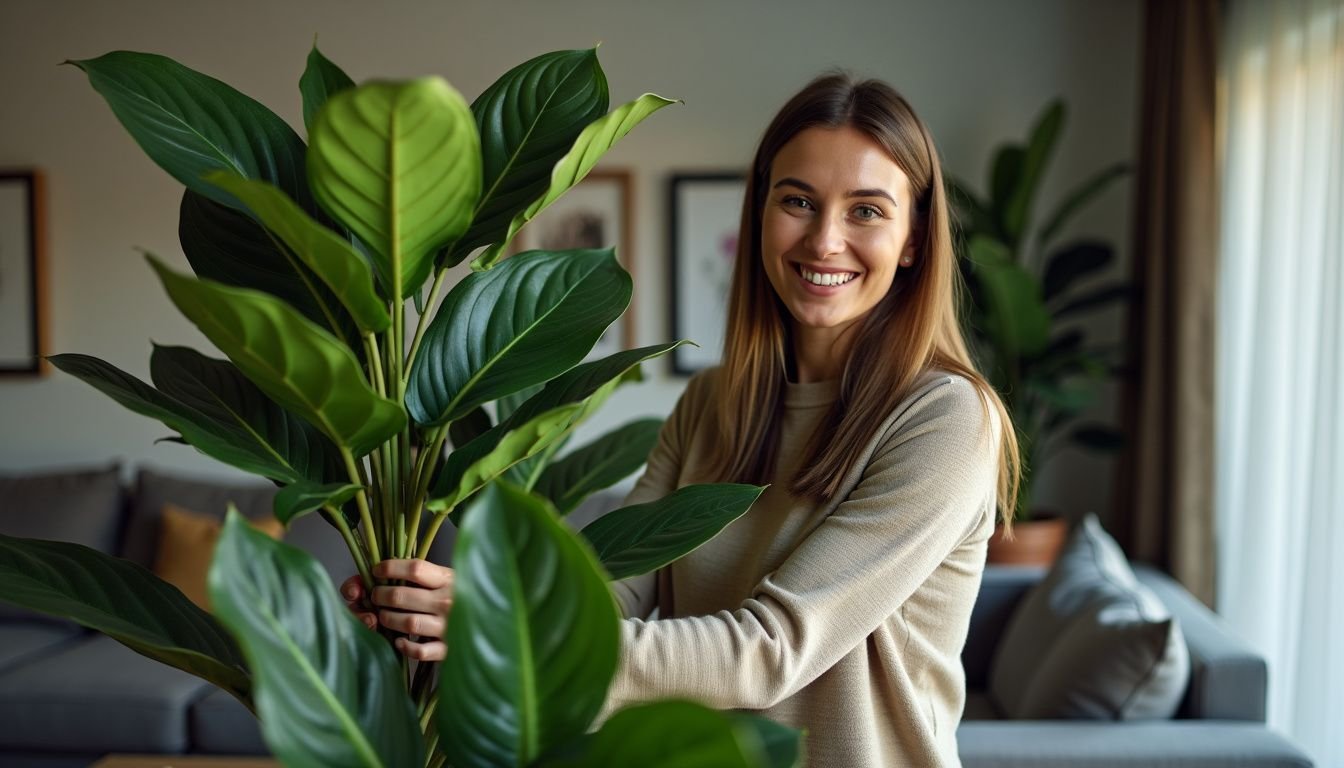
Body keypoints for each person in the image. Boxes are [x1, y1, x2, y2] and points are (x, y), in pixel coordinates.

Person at [343, 72, 1020, 768]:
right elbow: (621, 594)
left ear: (913, 239)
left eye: (867, 210)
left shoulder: (945, 419)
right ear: (761, 214)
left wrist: (516, 629)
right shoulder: (712, 403)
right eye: (798, 201)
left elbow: (773, 649)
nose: (823, 240)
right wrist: (426, 619)